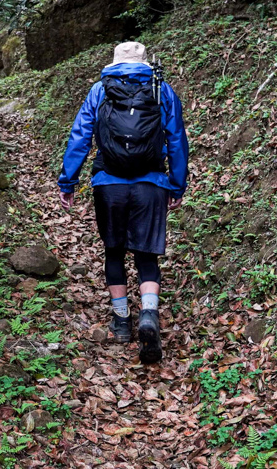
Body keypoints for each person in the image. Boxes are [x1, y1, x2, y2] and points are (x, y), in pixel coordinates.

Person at [57, 41, 189, 364]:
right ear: (144, 62)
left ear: (115, 62)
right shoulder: (162, 91)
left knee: (113, 250)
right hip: (152, 184)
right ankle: (148, 314)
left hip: (109, 184)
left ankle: (121, 322)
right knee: (146, 255)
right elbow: (176, 138)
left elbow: (80, 135)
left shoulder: (100, 90)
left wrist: (68, 180)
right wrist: (177, 185)